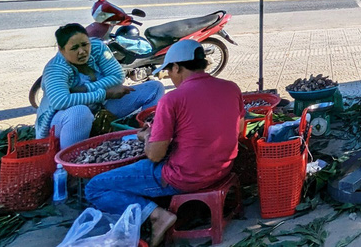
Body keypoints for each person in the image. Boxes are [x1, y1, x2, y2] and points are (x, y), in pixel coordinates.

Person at [85, 40, 243, 247]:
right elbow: (238, 130)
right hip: (222, 169)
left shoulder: (173, 100)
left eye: (170, 71)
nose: (170, 76)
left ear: (177, 67)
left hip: (184, 177)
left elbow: (155, 156)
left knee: (95, 187)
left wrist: (147, 137)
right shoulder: (231, 88)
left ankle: (156, 215)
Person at [36, 23, 163, 149]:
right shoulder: (56, 68)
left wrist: (86, 89)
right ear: (61, 49)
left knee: (154, 88)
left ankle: (148, 137)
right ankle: (66, 164)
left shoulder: (97, 48)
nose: (82, 51)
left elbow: (117, 76)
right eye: (74, 48)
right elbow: (61, 101)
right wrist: (104, 93)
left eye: (85, 44)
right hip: (62, 121)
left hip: (99, 109)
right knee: (80, 112)